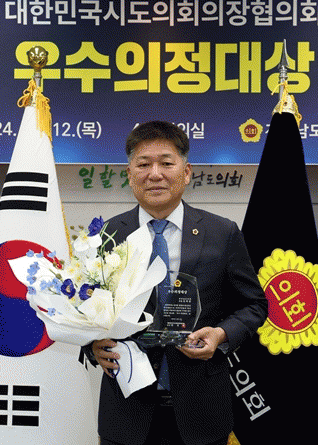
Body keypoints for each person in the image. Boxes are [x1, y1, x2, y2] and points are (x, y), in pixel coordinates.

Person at [87, 120, 268, 445]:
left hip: (202, 409)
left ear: (186, 172)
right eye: (144, 164)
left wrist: (221, 334)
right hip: (126, 411)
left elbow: (254, 304)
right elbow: (86, 306)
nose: (154, 174)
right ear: (129, 173)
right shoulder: (108, 234)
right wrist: (91, 344)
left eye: (166, 163)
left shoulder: (221, 233)